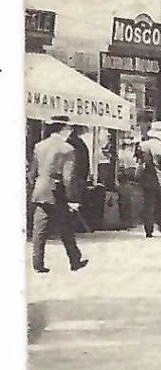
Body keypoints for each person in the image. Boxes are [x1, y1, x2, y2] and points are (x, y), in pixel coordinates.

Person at [29, 116, 88, 274]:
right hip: (58, 193)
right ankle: (75, 260)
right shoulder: (67, 149)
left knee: (39, 230)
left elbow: (32, 173)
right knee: (66, 227)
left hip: (40, 191)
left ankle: (37, 263)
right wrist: (72, 199)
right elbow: (68, 178)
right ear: (62, 129)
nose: (70, 131)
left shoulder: (39, 146)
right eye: (68, 128)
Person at [136, 123, 161, 238]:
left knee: (148, 203)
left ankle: (148, 229)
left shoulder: (142, 145)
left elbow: (139, 162)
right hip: (159, 178)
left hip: (146, 177)